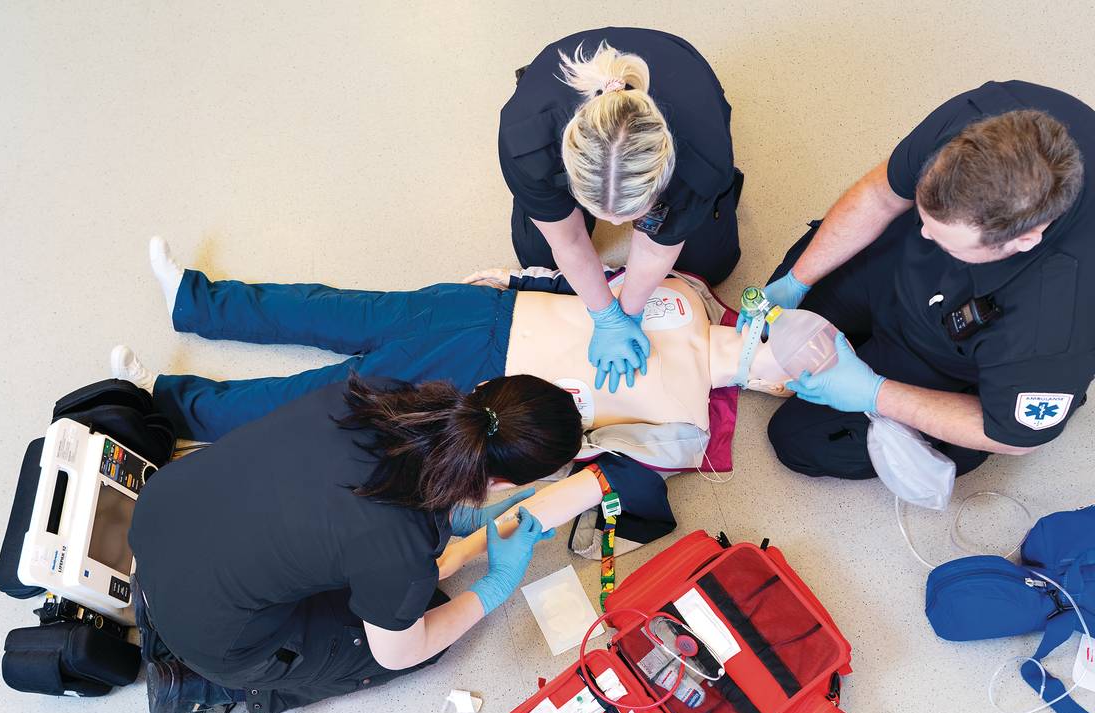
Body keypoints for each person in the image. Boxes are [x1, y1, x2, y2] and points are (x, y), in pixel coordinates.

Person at [127, 369, 582, 713]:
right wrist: (495, 586)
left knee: (386, 588)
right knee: (427, 624)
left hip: (162, 519)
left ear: (483, 388)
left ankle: (156, 603)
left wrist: (460, 519)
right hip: (216, 639)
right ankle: (202, 687)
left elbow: (349, 490)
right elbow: (398, 651)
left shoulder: (386, 395)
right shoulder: (399, 548)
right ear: (505, 482)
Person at [114, 238, 792, 445]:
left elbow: (593, 448)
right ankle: (195, 300)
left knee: (314, 400)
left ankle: (163, 404)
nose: (763, 351)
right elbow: (590, 285)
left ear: (772, 387)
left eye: (779, 366)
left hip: (479, 378)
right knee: (331, 309)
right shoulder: (687, 298)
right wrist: (513, 278)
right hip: (479, 311)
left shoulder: (687, 419)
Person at [759, 81, 1095, 479]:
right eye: (925, 218)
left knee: (798, 438)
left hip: (960, 353)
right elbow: (881, 196)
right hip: (896, 271)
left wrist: (875, 393)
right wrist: (797, 280)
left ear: (1024, 239)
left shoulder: (1055, 323)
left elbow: (1014, 438)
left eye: (944, 238)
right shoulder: (987, 118)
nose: (924, 235)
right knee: (773, 326)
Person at [499, 28, 741, 393]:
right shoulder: (525, 143)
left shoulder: (701, 158)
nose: (616, 224)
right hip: (551, 86)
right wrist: (604, 316)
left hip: (678, 70)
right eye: (605, 210)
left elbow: (655, 246)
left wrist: (628, 312)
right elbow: (570, 240)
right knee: (539, 257)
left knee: (707, 267)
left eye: (630, 213)